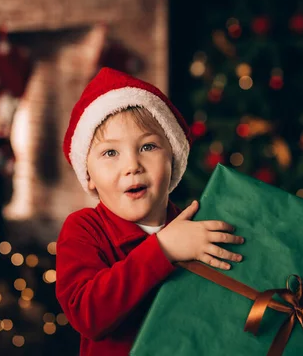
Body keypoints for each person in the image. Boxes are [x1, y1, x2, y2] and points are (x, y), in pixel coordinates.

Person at [56, 67, 244, 356]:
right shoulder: (84, 229)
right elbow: (87, 314)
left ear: (173, 160)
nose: (132, 165)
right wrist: (163, 249)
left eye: (147, 146)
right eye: (110, 153)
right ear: (88, 175)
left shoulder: (195, 229)